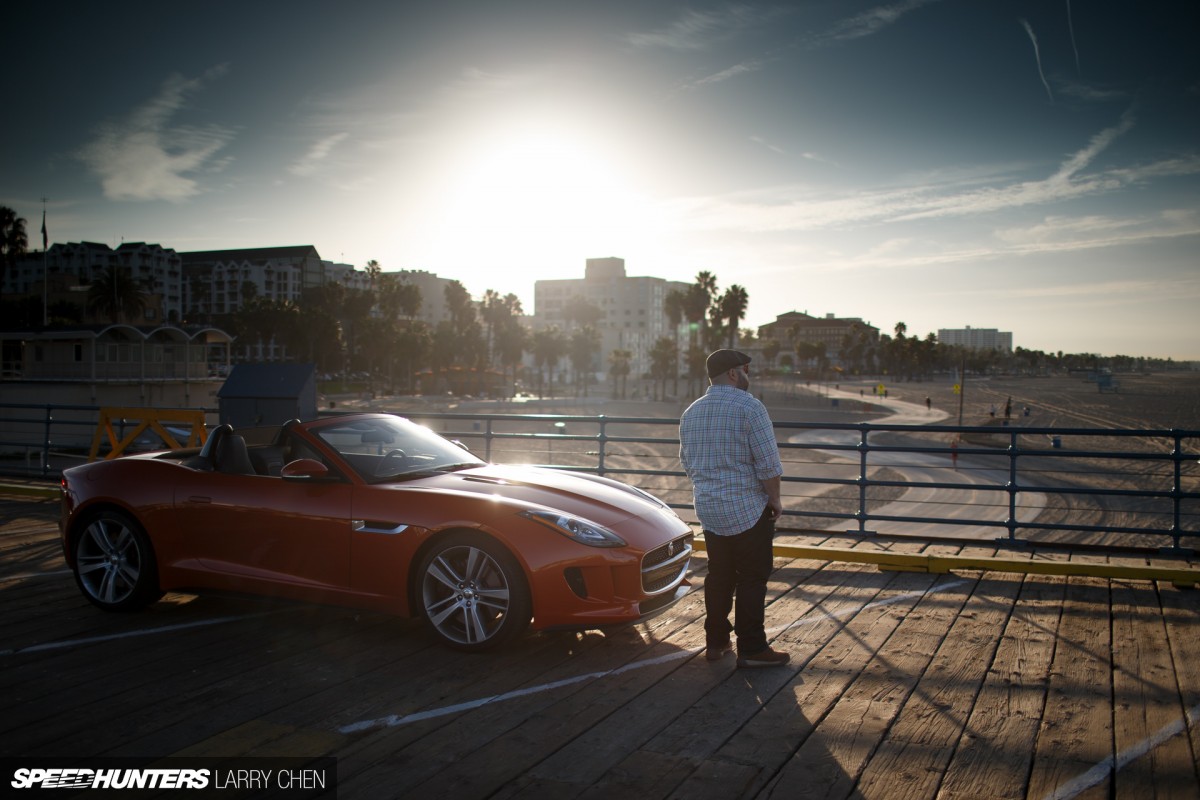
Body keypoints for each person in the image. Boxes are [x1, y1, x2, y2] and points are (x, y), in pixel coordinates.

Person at [679, 349, 790, 668]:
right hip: (746, 509)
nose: (748, 376)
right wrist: (775, 500)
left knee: (719, 574)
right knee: (753, 577)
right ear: (732, 373)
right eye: (745, 370)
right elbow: (769, 464)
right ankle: (753, 648)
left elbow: (687, 463)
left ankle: (716, 642)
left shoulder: (691, 411)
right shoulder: (750, 407)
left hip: (710, 509)